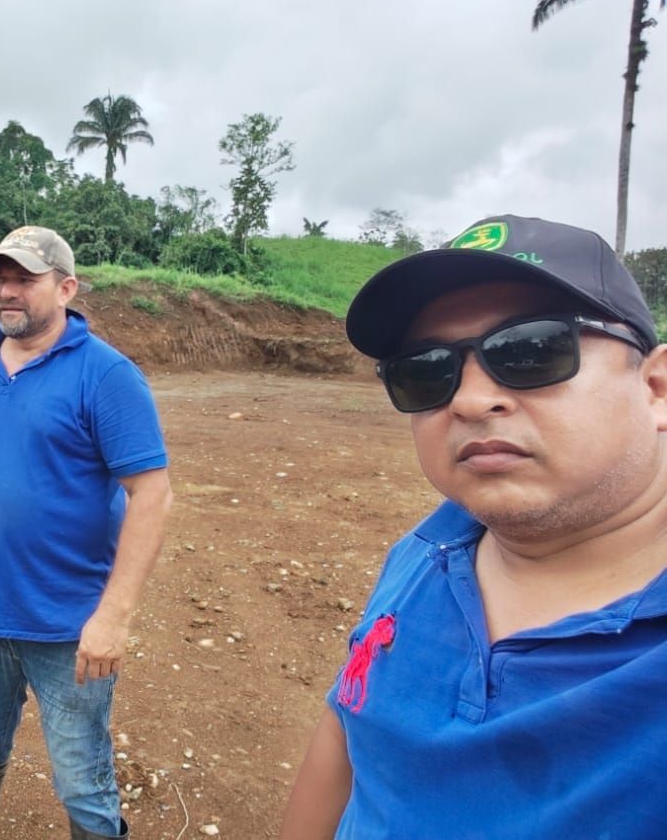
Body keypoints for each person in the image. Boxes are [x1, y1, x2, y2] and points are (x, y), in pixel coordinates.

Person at [279, 214, 667, 839]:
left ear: (656, 387)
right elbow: (350, 726)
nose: (468, 400)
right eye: (426, 370)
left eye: (530, 350)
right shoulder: (430, 547)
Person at [0, 226, 174, 840]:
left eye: (25, 279)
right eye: (0, 279)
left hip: (70, 625)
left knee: (81, 778)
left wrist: (113, 617)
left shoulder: (106, 374)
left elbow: (152, 494)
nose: (7, 291)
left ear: (66, 289)